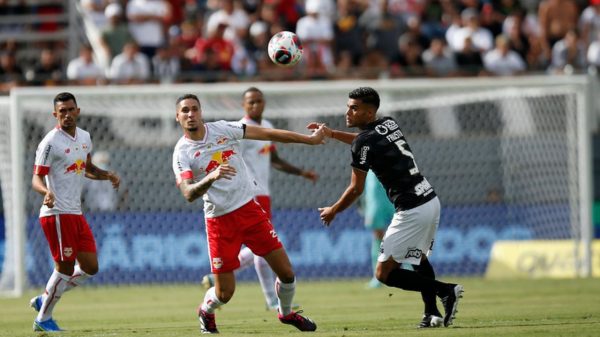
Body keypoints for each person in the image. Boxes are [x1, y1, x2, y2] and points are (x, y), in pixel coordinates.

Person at [311, 87, 463, 329]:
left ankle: (446, 290)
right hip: (429, 199)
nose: (347, 112)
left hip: (412, 209)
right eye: (348, 106)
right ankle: (431, 313)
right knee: (418, 259)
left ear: (369, 112)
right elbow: (364, 142)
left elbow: (355, 189)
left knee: (384, 274)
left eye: (354, 108)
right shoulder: (388, 124)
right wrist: (332, 134)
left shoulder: (364, 141)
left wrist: (334, 209)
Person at [172, 93, 322, 333]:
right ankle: (206, 310)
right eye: (185, 111)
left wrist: (309, 140)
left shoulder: (223, 129)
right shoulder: (182, 153)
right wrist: (211, 176)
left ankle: (286, 314)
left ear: (201, 112)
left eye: (194, 109)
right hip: (219, 221)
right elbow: (188, 193)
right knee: (224, 293)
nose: (191, 114)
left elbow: (268, 134)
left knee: (286, 273)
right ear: (178, 117)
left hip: (249, 209)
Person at [201, 87, 318, 311]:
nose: (255, 105)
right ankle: (272, 300)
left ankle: (224, 274)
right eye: (250, 102)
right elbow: (222, 157)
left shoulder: (268, 127)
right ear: (243, 105)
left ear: (264, 103)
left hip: (264, 194)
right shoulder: (238, 131)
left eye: (258, 101)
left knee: (262, 246)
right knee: (264, 248)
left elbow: (274, 159)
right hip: (247, 194)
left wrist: (302, 172)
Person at [29, 92, 120, 332]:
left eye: (71, 110)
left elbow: (86, 168)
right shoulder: (50, 142)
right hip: (56, 212)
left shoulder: (85, 138)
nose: (67, 115)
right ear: (55, 114)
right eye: (62, 112)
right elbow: (36, 177)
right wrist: (45, 192)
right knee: (65, 268)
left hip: (76, 213)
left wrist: (106, 175)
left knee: (91, 267)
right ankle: (43, 318)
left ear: (78, 111)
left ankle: (46, 296)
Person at [361, 170, 394, 289]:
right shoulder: (364, 154)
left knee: (405, 231)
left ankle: (410, 270)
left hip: (395, 189)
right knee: (378, 234)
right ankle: (379, 276)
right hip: (375, 194)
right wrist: (362, 199)